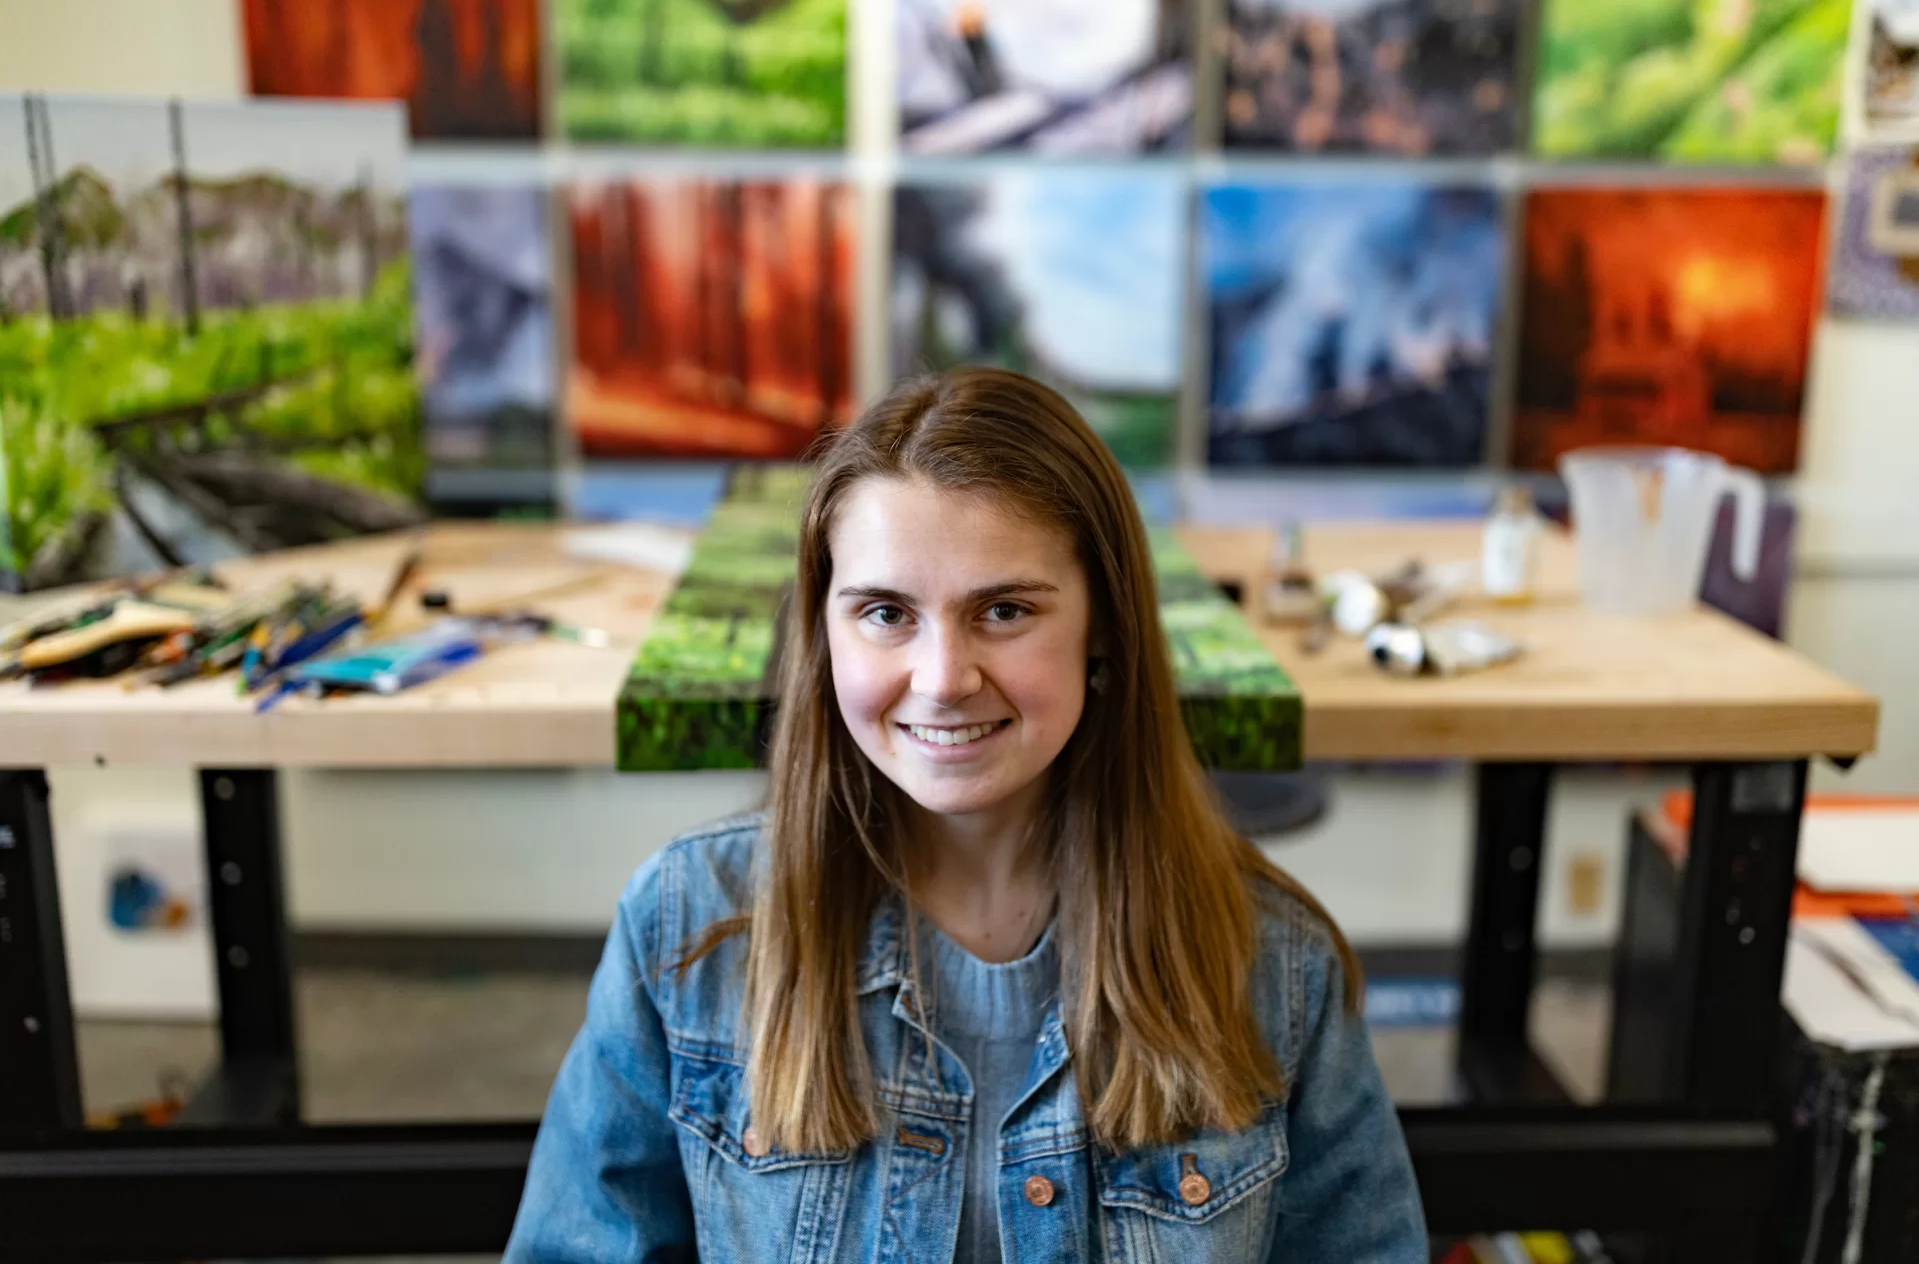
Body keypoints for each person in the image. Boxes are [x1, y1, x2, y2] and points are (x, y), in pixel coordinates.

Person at [506, 368, 1424, 1263]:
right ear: (824, 631)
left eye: (1004, 609)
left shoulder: (1275, 964)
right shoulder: (686, 925)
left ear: (1102, 627)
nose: (943, 679)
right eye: (884, 612)